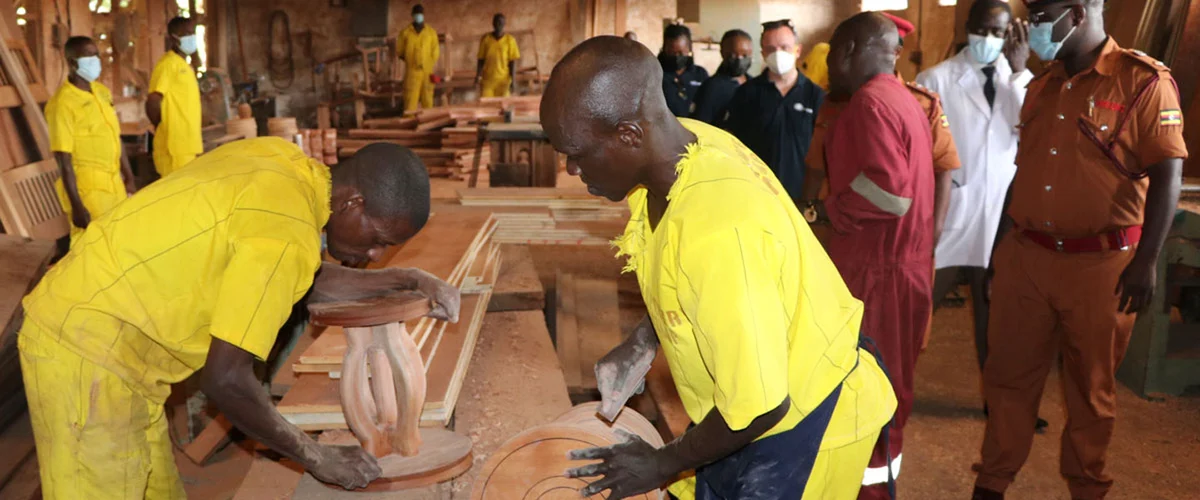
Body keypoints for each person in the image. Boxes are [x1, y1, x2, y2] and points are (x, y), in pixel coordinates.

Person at [541, 36, 895, 500]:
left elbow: (759, 409)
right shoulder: (682, 147)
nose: (570, 168)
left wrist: (660, 464)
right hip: (752, 404)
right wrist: (643, 341)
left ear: (629, 135)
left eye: (578, 152)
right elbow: (681, 276)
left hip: (802, 425)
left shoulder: (719, 229)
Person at [18, 137, 462, 499]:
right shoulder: (285, 235)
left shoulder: (284, 163)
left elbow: (297, 276)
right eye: (378, 241)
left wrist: (408, 279)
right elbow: (225, 381)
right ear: (351, 204)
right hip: (84, 348)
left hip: (125, 351)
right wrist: (316, 456)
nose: (374, 255)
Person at [973, 0, 1187, 498]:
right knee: (1007, 378)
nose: (1035, 27)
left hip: (1103, 265)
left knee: (1090, 392)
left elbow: (1167, 173)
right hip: (1027, 257)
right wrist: (1000, 252)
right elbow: (1021, 172)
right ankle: (992, 481)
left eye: (1043, 14)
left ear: (1076, 14)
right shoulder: (1044, 86)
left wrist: (1148, 260)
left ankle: (1088, 486)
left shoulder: (1143, 82)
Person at [810, 13, 934, 499]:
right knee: (887, 392)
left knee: (866, 396)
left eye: (834, 53)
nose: (829, 67)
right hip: (898, 268)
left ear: (852, 50)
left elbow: (888, 192)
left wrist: (826, 210)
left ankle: (866, 492)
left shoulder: (868, 104)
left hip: (878, 276)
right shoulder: (902, 99)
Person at [914, 0, 1050, 432]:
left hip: (1002, 220)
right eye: (984, 30)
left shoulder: (1021, 82)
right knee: (917, 308)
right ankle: (887, 389)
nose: (990, 40)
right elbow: (922, 158)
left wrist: (1019, 71)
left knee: (998, 322)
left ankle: (1000, 404)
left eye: (1000, 32)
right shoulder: (935, 79)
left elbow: (1035, 125)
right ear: (968, 28)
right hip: (950, 215)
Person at [47, 36, 137, 246]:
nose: (95, 59)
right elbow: (63, 159)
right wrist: (77, 205)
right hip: (89, 188)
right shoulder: (62, 104)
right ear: (71, 62)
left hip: (114, 183)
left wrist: (129, 176)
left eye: (95, 54)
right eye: (88, 55)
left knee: (119, 242)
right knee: (92, 247)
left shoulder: (101, 92)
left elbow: (114, 137)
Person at [724, 19, 824, 202]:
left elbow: (822, 151)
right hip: (755, 195)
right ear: (762, 53)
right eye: (770, 49)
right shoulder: (746, 93)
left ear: (798, 50)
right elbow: (732, 144)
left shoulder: (815, 96)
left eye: (784, 47)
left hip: (800, 197)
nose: (778, 54)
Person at [146, 17, 202, 178]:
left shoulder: (183, 64)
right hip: (174, 146)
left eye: (193, 33)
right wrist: (162, 127)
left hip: (187, 145)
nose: (191, 37)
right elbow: (153, 100)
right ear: (173, 37)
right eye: (187, 34)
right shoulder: (168, 64)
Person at [690, 29, 752, 125]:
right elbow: (700, 126)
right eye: (733, 55)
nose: (739, 59)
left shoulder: (755, 84)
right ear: (723, 53)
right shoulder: (712, 88)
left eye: (745, 55)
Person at [396, 4, 440, 112]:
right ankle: (408, 125)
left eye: (420, 13)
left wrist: (427, 64)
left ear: (424, 15)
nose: (418, 15)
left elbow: (435, 52)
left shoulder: (431, 33)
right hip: (412, 73)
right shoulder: (405, 33)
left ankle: (429, 124)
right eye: (416, 13)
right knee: (410, 101)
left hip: (427, 72)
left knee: (428, 101)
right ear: (412, 15)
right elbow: (400, 52)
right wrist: (411, 61)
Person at [658, 24, 708, 117]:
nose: (677, 57)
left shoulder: (700, 74)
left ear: (689, 49)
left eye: (681, 53)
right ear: (664, 49)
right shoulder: (657, 74)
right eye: (672, 53)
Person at [475, 13, 521, 98]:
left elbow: (513, 62)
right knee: (487, 105)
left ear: (504, 24)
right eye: (497, 22)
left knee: (503, 105)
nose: (499, 25)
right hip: (488, 80)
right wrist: (478, 76)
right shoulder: (486, 39)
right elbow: (481, 59)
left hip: (503, 81)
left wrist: (513, 81)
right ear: (493, 23)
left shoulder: (510, 40)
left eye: (501, 23)